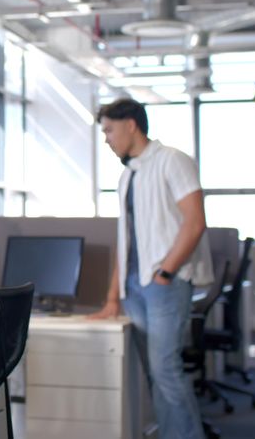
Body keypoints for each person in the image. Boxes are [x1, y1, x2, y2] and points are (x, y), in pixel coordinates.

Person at [89, 98, 214, 439]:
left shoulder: (172, 161)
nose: (107, 139)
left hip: (165, 285)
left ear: (131, 124)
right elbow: (127, 240)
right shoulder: (128, 175)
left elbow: (195, 221)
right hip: (135, 286)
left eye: (109, 130)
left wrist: (165, 273)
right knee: (154, 374)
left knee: (166, 370)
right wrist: (113, 296)